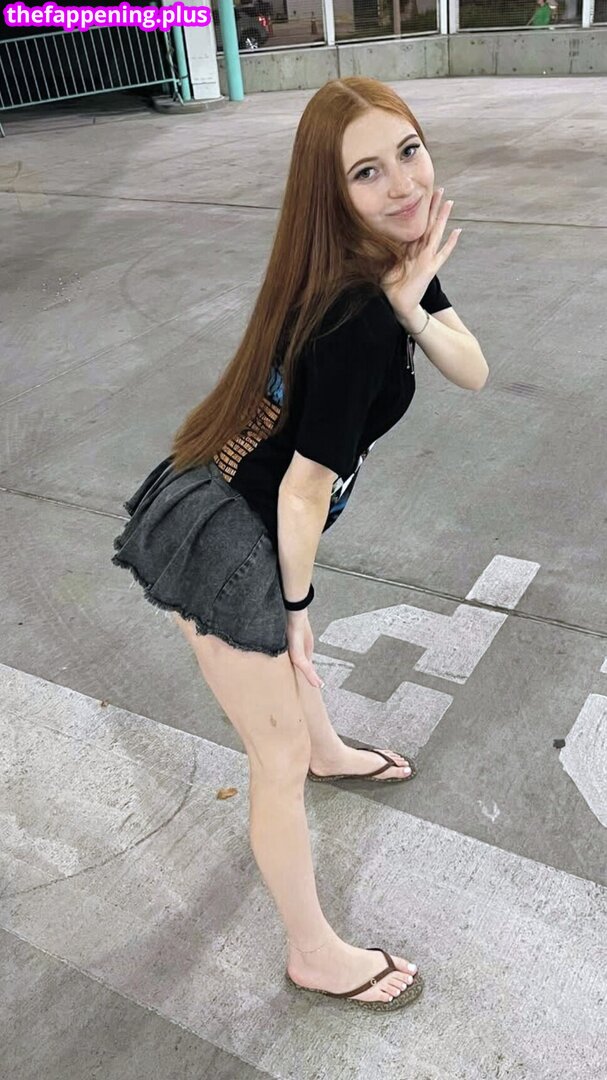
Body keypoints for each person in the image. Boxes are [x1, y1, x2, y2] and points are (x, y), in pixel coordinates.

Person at [111, 76, 488, 1012]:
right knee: (270, 760)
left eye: (408, 151)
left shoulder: (385, 263)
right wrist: (295, 606)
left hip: (235, 503)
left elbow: (473, 368)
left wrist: (415, 307)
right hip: (228, 538)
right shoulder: (353, 316)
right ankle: (313, 951)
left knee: (296, 706)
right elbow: (304, 486)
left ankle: (327, 749)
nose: (403, 185)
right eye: (367, 172)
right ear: (331, 191)